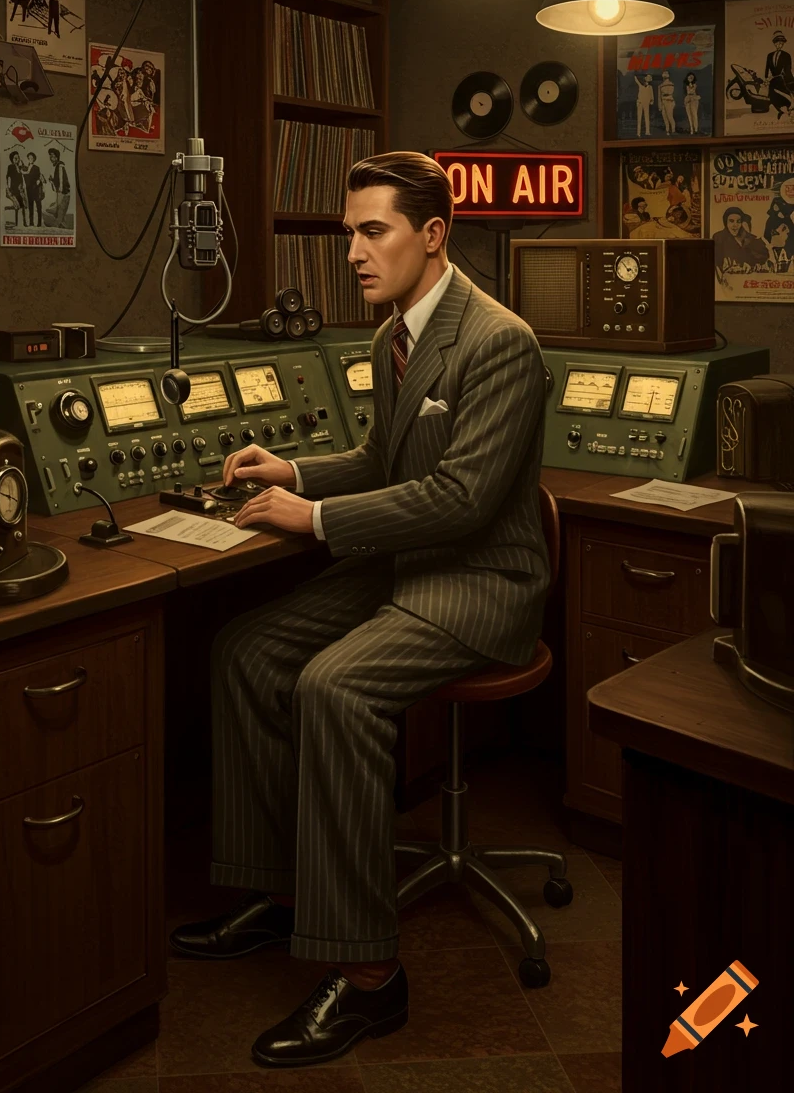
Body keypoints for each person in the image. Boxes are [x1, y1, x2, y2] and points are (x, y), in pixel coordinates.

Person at [169, 151, 549, 1069]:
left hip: (480, 581)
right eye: (350, 234)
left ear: (434, 235)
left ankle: (372, 978)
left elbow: (462, 499)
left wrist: (314, 519)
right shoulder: (391, 338)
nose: (353, 253)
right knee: (246, 651)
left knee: (334, 687)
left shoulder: (500, 341)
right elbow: (385, 461)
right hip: (404, 563)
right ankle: (283, 897)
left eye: (373, 232)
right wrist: (296, 471)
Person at [713, 206, 770, 280]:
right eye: (731, 221)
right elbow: (716, 263)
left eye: (738, 221)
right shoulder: (719, 238)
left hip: (749, 279)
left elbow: (763, 257)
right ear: (726, 222)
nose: (735, 225)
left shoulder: (749, 238)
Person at [764, 30, 794, 119]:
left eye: (782, 43)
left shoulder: (786, 55)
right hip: (772, 81)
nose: (780, 45)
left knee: (785, 97)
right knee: (772, 98)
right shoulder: (769, 55)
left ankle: (788, 111)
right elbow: (767, 68)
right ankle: (780, 112)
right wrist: (766, 78)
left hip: (781, 80)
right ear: (774, 43)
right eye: (778, 43)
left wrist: (791, 82)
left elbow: (788, 70)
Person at [45, 147, 70, 229]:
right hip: (60, 190)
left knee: (60, 208)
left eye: (53, 156)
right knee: (61, 208)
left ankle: (58, 225)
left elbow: (61, 177)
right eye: (50, 156)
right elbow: (56, 179)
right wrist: (52, 180)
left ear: (57, 157)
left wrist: (61, 188)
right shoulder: (55, 166)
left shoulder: (60, 165)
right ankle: (63, 225)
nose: (51, 158)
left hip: (63, 191)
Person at [5, 149, 27, 227]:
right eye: (15, 158)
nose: (17, 159)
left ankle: (24, 222)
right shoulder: (10, 166)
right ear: (12, 159)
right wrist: (9, 188)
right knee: (17, 206)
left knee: (23, 206)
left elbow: (26, 170)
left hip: (19, 190)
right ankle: (16, 223)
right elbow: (8, 177)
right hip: (13, 190)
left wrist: (22, 163)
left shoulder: (20, 167)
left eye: (18, 157)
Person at [24, 151, 45, 227]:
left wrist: (37, 182)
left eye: (32, 158)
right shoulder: (26, 168)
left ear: (34, 159)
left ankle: (39, 223)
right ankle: (31, 222)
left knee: (38, 206)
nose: (30, 159)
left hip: (36, 189)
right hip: (29, 189)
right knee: (30, 206)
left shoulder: (36, 168)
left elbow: (39, 177)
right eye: (29, 158)